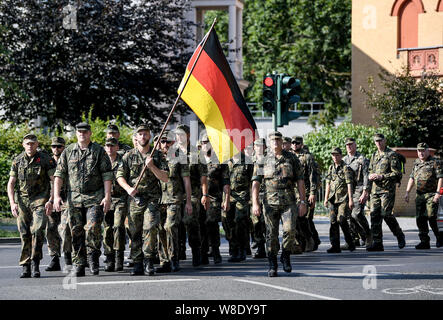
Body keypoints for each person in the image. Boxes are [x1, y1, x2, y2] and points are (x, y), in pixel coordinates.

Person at [53, 122, 113, 277]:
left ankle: (93, 258)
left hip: (95, 197)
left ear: (90, 133)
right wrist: (57, 196)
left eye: (85, 132)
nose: (82, 134)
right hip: (74, 198)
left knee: (93, 227)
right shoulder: (68, 152)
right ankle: (79, 262)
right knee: (75, 231)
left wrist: (107, 196)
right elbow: (59, 175)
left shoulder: (98, 151)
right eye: (79, 132)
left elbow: (107, 175)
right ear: (76, 134)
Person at [116, 123, 169, 276]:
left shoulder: (157, 155)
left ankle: (149, 261)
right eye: (140, 134)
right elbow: (119, 176)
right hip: (135, 199)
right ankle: (137, 263)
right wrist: (128, 189)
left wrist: (152, 166)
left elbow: (165, 177)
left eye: (146, 133)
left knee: (150, 228)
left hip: (152, 199)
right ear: (136, 137)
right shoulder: (128, 155)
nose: (143, 136)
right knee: (134, 231)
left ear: (150, 136)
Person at [251, 131, 307, 277]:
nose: (275, 142)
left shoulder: (291, 158)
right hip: (269, 203)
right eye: (273, 140)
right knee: (271, 235)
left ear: (282, 142)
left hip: (288, 202)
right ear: (269, 143)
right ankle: (272, 263)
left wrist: (303, 201)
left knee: (289, 231)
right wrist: (255, 203)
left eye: (278, 140)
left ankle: (286, 255)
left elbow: (300, 180)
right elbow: (256, 183)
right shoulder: (262, 160)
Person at [7, 133, 56, 278]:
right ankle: (26, 266)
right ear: (23, 145)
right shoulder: (17, 160)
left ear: (37, 144)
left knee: (38, 230)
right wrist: (12, 202)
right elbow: (11, 183)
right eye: (27, 143)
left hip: (40, 200)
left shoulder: (46, 159)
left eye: (33, 143)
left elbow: (54, 181)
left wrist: (51, 200)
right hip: (22, 201)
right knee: (24, 233)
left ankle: (35, 262)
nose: (30, 146)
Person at [174, 124, 209, 267]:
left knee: (190, 221)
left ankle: (197, 251)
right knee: (175, 223)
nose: (179, 137)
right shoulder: (173, 153)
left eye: (182, 134)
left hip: (193, 193)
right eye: (177, 134)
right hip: (175, 193)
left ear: (188, 136)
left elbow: (203, 176)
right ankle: (176, 253)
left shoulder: (196, 153)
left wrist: (204, 194)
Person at [157, 130, 192, 272]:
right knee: (159, 229)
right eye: (163, 141)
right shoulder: (154, 157)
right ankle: (164, 261)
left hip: (174, 198)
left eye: (168, 141)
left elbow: (186, 180)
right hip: (158, 199)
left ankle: (174, 259)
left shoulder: (179, 156)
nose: (165, 144)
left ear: (173, 142)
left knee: (170, 227)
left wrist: (188, 201)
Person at [367, 133, 406, 251]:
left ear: (385, 141)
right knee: (374, 215)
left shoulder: (391, 155)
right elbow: (370, 170)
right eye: (376, 141)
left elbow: (397, 173)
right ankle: (378, 243)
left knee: (386, 214)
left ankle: (399, 235)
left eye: (380, 141)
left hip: (387, 190)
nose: (378, 143)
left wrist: (381, 176)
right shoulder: (374, 155)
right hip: (375, 190)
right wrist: (370, 176)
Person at [404, 142, 443, 249]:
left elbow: (440, 177)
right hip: (419, 195)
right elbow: (412, 177)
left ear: (427, 151)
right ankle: (424, 241)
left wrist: (438, 193)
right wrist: (407, 192)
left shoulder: (435, 162)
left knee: (431, 216)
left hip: (431, 194)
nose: (421, 153)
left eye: (423, 150)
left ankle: (439, 237)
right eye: (419, 151)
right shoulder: (416, 163)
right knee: (420, 219)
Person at [200, 132, 230, 264]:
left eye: (208, 142)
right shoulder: (195, 160)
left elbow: (225, 182)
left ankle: (216, 251)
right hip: (198, 197)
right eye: (203, 142)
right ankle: (203, 252)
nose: (205, 145)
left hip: (214, 197)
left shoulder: (220, 161)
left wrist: (226, 199)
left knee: (211, 223)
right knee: (201, 225)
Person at [102, 137, 128, 271]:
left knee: (118, 226)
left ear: (117, 147)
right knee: (107, 229)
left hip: (120, 199)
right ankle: (109, 257)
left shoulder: (123, 161)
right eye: (108, 146)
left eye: (113, 146)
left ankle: (119, 256)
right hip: (106, 199)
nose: (110, 148)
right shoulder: (101, 162)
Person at [291, 136, 321, 252]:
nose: (294, 145)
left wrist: (312, 193)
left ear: (301, 144)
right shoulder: (290, 156)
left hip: (306, 191)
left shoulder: (307, 157)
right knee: (296, 219)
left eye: (297, 143)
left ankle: (310, 239)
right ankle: (302, 242)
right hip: (293, 192)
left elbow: (313, 176)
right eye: (293, 143)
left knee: (304, 218)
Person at [323, 147, 356, 253]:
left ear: (341, 156)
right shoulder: (330, 168)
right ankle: (335, 245)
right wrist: (325, 198)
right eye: (333, 155)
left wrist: (350, 199)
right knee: (333, 221)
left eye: (337, 155)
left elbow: (349, 184)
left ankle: (350, 241)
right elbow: (328, 183)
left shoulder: (346, 168)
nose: (335, 157)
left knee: (341, 220)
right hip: (332, 198)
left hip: (343, 198)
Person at [343, 137, 372, 249]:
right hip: (347, 190)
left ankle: (368, 234)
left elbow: (366, 176)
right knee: (348, 216)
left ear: (355, 145)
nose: (349, 146)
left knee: (357, 213)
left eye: (351, 144)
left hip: (359, 189)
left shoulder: (362, 159)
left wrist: (365, 192)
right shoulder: (344, 160)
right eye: (347, 145)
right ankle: (353, 239)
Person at [225, 149, 254, 263]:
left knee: (240, 222)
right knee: (229, 223)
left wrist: (252, 200)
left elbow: (253, 182)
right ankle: (233, 249)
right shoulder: (226, 162)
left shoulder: (247, 162)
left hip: (242, 197)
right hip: (228, 197)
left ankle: (242, 250)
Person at [45, 137, 66, 272]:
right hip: (52, 198)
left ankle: (74, 257)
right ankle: (54, 258)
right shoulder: (47, 162)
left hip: (67, 198)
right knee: (51, 228)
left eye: (59, 146)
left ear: (64, 147)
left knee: (67, 229)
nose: (56, 149)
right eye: (54, 146)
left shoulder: (69, 159)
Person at [250, 138, 267, 259]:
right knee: (255, 222)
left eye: (261, 146)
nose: (259, 148)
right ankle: (258, 244)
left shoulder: (267, 160)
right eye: (257, 146)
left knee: (264, 223)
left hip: (266, 195)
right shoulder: (250, 160)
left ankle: (265, 248)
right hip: (253, 195)